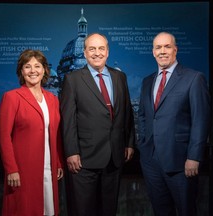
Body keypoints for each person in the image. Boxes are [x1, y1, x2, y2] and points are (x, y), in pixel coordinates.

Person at [60, 33, 135, 216]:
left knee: (108, 210)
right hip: (84, 159)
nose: (97, 53)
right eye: (92, 49)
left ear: (107, 52)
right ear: (85, 53)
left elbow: (127, 113)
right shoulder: (73, 79)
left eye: (101, 48)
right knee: (83, 210)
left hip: (114, 157)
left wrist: (129, 143)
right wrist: (71, 152)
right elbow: (68, 119)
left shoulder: (120, 77)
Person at [137, 32, 210, 216]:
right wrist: (144, 145)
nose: (162, 51)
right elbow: (144, 116)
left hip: (181, 162)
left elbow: (201, 120)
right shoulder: (147, 81)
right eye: (158, 47)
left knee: (186, 210)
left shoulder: (194, 78)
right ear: (153, 52)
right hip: (151, 162)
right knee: (160, 211)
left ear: (175, 50)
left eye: (167, 47)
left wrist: (194, 157)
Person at [0, 49, 64, 216]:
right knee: (25, 210)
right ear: (21, 71)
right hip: (23, 169)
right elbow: (5, 137)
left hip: (49, 167)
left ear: (44, 70)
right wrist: (11, 169)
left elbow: (54, 134)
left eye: (37, 66)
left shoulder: (53, 100)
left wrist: (58, 162)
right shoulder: (12, 97)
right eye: (27, 66)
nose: (33, 71)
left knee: (48, 210)